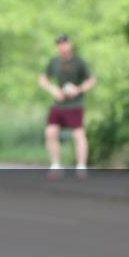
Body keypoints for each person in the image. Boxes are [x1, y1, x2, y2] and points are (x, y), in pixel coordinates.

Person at [38, 34, 95, 180]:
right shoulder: (54, 62)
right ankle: (56, 164)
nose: (62, 46)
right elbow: (43, 78)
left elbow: (91, 80)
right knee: (51, 132)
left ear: (70, 44)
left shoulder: (78, 62)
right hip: (59, 104)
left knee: (78, 134)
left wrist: (78, 89)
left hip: (75, 104)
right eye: (59, 44)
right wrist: (52, 89)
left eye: (65, 43)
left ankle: (81, 166)